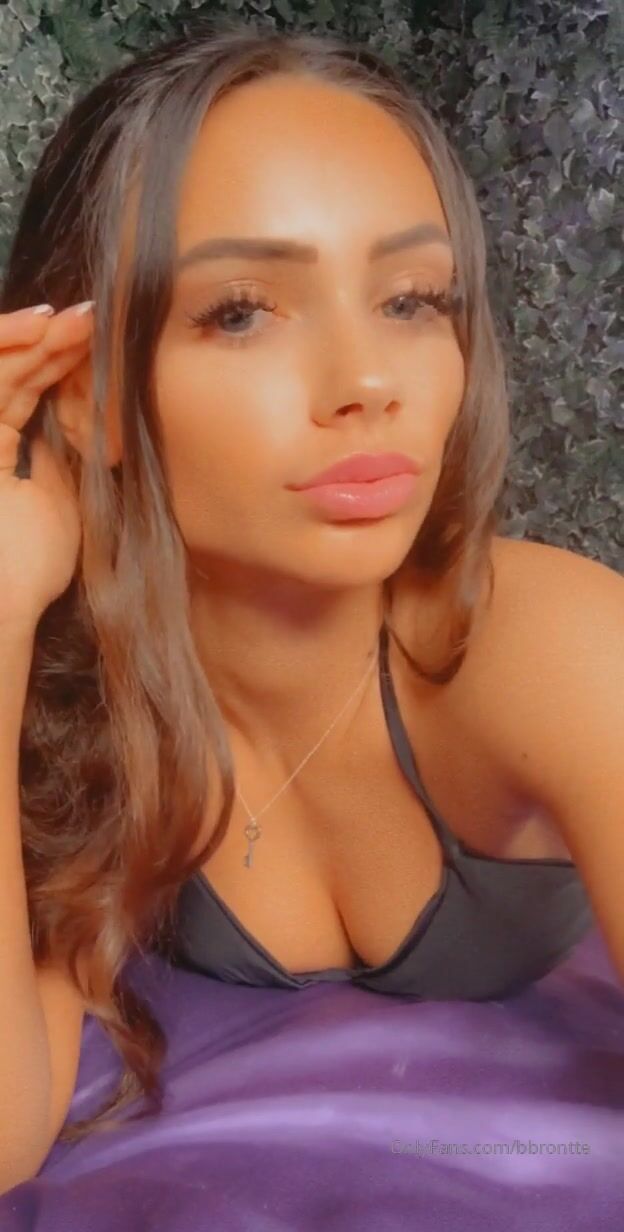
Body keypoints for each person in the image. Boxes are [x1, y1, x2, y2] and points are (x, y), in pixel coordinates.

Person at [0, 19, 621, 1190]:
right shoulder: (83, 697)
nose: (367, 382)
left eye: (413, 299)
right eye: (243, 309)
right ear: (89, 394)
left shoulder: (553, 644)